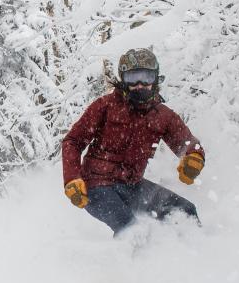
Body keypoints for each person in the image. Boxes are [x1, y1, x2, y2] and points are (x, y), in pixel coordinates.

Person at [62, 48, 205, 236]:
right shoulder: (105, 106)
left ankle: (197, 255)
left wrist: (194, 157)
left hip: (132, 186)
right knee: (131, 229)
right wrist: (72, 178)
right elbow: (73, 141)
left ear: (154, 79)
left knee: (185, 212)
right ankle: (122, 264)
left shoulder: (163, 116)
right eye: (132, 78)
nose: (139, 85)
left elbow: (187, 143)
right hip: (95, 186)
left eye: (145, 78)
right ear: (123, 80)